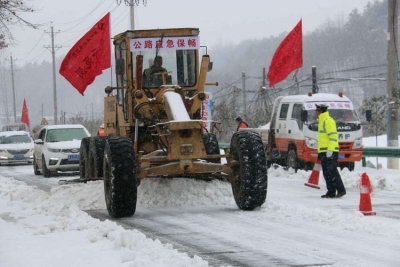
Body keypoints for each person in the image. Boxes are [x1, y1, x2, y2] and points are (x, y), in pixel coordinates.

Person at [316, 104, 346, 198]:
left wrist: (330, 149)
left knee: (332, 171)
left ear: (321, 111)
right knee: (326, 172)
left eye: (317, 110)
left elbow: (333, 136)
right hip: (323, 151)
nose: (316, 112)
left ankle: (341, 190)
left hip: (330, 151)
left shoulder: (328, 121)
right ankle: (331, 191)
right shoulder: (321, 121)